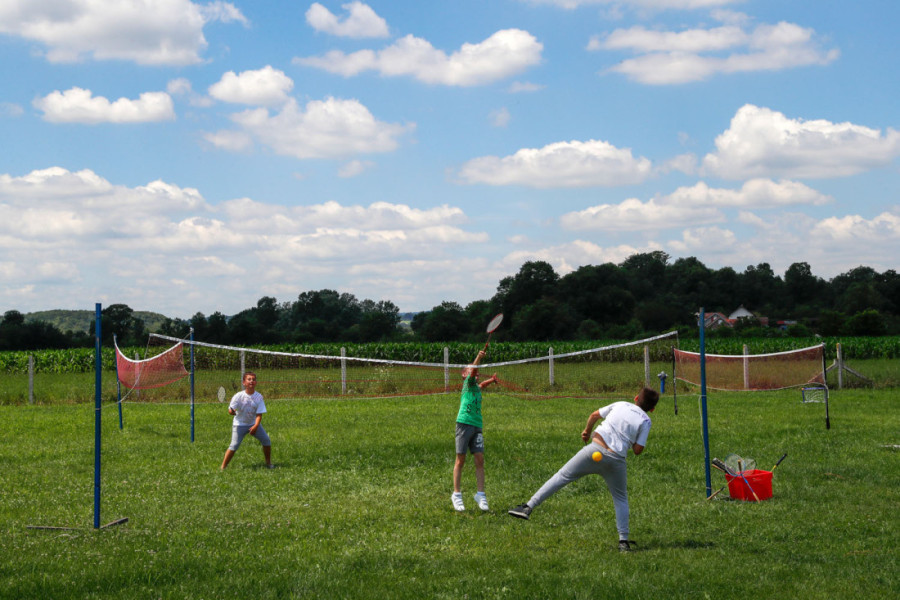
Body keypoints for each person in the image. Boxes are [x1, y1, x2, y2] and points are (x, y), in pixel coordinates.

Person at [508, 387, 660, 551]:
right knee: (620, 499)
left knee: (562, 476)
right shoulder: (646, 421)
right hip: (616, 461)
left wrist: (587, 432)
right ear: (652, 409)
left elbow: (594, 415)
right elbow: (637, 450)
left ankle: (528, 507)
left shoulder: (621, 404)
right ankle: (623, 541)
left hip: (594, 450)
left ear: (636, 398)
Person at [452, 349, 499, 512]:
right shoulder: (468, 384)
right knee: (461, 460)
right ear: (464, 374)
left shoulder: (476, 387)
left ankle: (480, 494)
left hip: (477, 426)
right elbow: (473, 372)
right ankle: (456, 494)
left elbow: (482, 385)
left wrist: (492, 380)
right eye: (471, 370)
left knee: (479, 460)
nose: (475, 373)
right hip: (464, 424)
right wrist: (478, 357)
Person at [220, 371, 274, 470]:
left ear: (256, 382)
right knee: (234, 445)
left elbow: (259, 414)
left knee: (266, 441)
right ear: (244, 382)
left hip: (253, 424)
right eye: (249, 379)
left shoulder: (258, 397)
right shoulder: (238, 396)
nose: (251, 381)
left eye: (253, 379)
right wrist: (232, 412)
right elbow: (231, 410)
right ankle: (223, 467)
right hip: (239, 424)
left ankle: (268, 463)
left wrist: (255, 426)